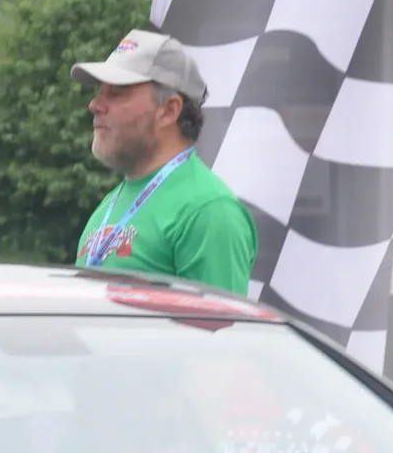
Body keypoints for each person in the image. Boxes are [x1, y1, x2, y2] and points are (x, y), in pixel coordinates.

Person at [70, 28, 257, 297]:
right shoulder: (109, 206)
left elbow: (220, 324)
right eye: (100, 91)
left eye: (117, 92)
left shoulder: (208, 211)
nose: (95, 104)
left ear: (169, 110)